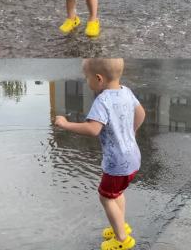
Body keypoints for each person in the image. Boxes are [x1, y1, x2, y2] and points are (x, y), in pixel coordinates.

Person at [55, 58, 145, 249]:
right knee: (116, 192)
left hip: (117, 163)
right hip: (133, 157)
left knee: (105, 196)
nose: (86, 81)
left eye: (86, 78)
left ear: (98, 79)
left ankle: (122, 240)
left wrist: (65, 124)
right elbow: (141, 113)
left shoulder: (102, 100)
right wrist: (132, 133)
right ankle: (120, 225)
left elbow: (93, 129)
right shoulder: (126, 91)